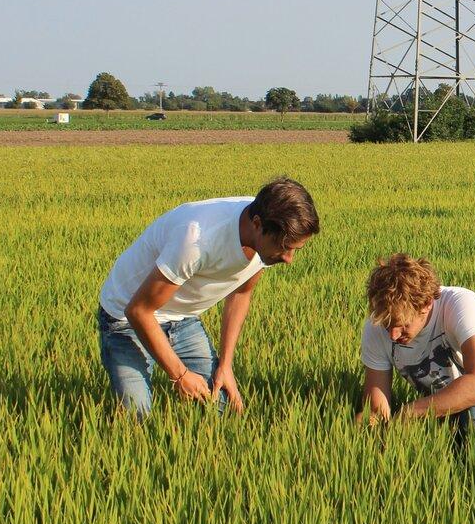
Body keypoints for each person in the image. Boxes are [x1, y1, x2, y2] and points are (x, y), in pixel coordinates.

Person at [97, 176, 319, 415]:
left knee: (220, 408)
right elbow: (138, 311)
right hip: (125, 318)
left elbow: (241, 293)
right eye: (285, 247)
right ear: (257, 224)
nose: (288, 259)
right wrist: (180, 375)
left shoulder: (271, 235)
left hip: (182, 319)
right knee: (137, 416)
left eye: (294, 249)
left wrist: (226, 365)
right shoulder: (196, 240)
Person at [357, 253, 475, 431]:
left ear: (426, 304)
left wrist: (410, 412)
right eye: (387, 325)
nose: (392, 335)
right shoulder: (375, 326)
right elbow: (377, 411)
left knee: (472, 412)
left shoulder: (460, 304)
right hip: (443, 419)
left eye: (402, 325)